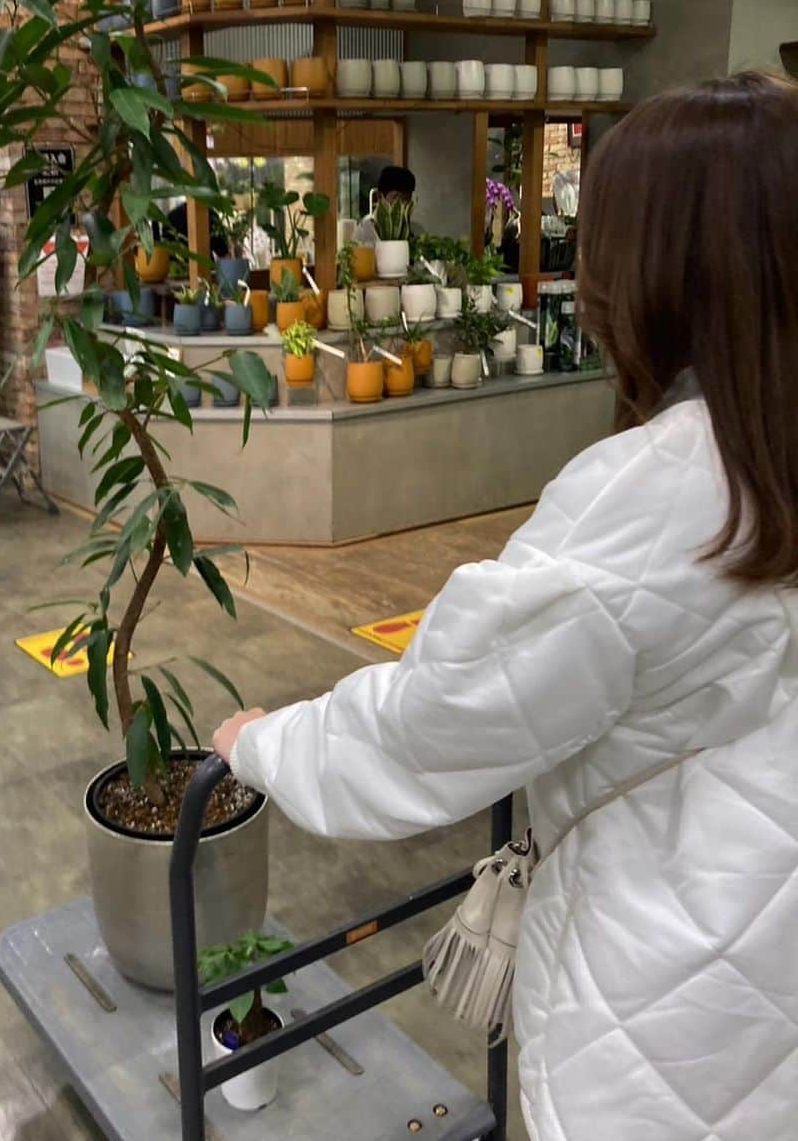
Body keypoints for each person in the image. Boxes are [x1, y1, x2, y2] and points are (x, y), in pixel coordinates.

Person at [214, 71, 798, 1141]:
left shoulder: (656, 500)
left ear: (657, 270)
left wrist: (265, 744)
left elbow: (435, 724)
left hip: (674, 1019)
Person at [353, 164, 418, 245]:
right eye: (396, 198)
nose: (403, 204)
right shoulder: (366, 229)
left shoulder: (412, 228)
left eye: (407, 198)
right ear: (380, 196)